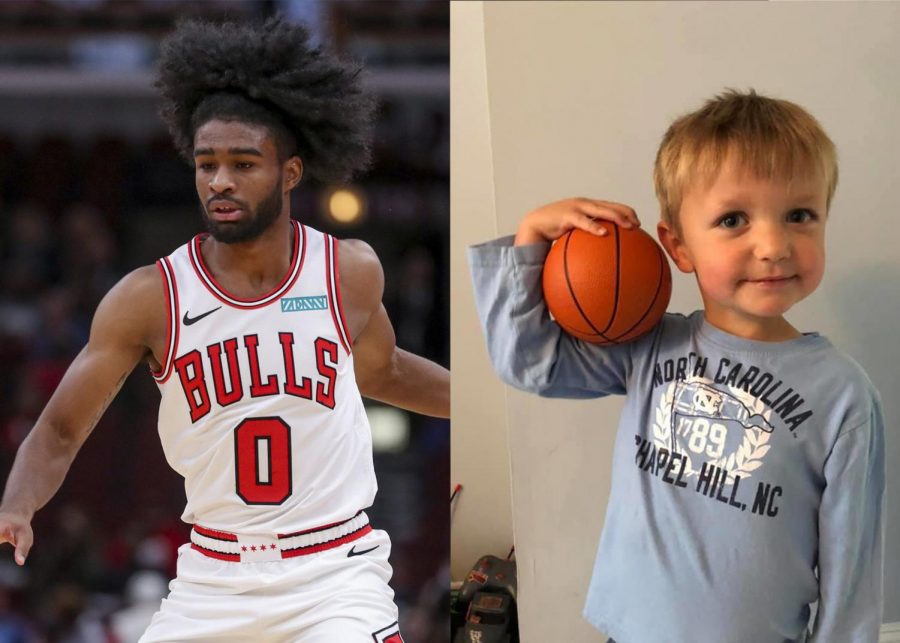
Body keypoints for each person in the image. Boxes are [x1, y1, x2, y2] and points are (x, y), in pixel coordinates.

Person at [0, 16, 448, 643]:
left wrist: (485, 401)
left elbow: (385, 371)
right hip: (213, 578)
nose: (221, 181)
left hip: (333, 574)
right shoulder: (148, 298)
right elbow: (60, 428)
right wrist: (18, 503)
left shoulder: (346, 270)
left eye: (243, 163)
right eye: (206, 163)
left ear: (290, 173)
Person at [468, 88, 883, 642]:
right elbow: (529, 364)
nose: (774, 244)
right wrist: (530, 242)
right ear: (678, 246)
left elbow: (851, 571)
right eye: (734, 218)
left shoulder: (844, 396)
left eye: (800, 215)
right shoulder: (650, 346)